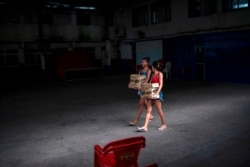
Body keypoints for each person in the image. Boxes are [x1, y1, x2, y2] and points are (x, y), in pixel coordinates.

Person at [137, 60, 167, 132]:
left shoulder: (160, 74)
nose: (151, 68)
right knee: (148, 110)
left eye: (152, 67)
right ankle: (145, 126)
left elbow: (161, 84)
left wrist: (157, 93)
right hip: (151, 93)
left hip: (157, 94)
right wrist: (142, 88)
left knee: (159, 110)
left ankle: (163, 124)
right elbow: (149, 84)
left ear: (153, 67)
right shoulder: (153, 74)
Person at [129, 57, 154, 126]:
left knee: (140, 104)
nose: (142, 63)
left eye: (144, 62)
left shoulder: (149, 70)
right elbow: (137, 79)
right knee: (144, 103)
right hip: (140, 89)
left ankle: (136, 121)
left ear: (147, 63)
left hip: (145, 89)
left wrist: (141, 86)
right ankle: (151, 116)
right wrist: (133, 84)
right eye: (142, 62)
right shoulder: (141, 70)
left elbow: (147, 80)